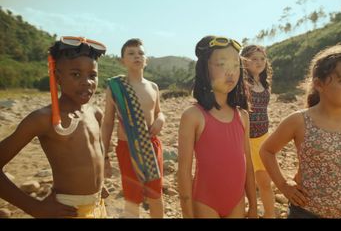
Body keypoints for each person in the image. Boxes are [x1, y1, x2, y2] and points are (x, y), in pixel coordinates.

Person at [259, 44, 341, 218]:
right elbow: (267, 150)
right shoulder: (299, 120)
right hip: (307, 212)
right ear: (319, 84)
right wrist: (284, 185)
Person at [0, 36, 108, 218]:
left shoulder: (95, 113)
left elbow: (97, 150)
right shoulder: (43, 119)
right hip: (68, 211)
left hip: (98, 206)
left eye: (92, 75)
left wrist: (98, 182)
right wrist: (34, 208)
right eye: (76, 74)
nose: (87, 82)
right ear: (57, 77)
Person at [177, 36, 257, 218]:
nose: (231, 72)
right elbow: (183, 171)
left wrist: (253, 206)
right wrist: (187, 215)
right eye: (221, 64)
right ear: (205, 69)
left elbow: (248, 165)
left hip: (237, 201)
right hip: (205, 202)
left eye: (236, 65)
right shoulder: (193, 115)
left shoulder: (242, 116)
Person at [102, 38, 165, 218]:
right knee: (132, 197)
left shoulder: (153, 87)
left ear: (147, 60)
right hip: (126, 147)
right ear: (122, 61)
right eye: (131, 53)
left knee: (155, 195)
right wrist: (105, 155)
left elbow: (159, 112)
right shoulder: (115, 87)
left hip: (151, 146)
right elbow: (107, 122)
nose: (137, 56)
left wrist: (161, 120)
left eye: (141, 53)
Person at [241, 45, 276, 218]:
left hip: (263, 139)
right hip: (243, 140)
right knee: (243, 182)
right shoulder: (241, 84)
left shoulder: (264, 83)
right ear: (244, 61)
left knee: (265, 181)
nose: (259, 62)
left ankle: (270, 214)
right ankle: (248, 211)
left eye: (262, 59)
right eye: (254, 59)